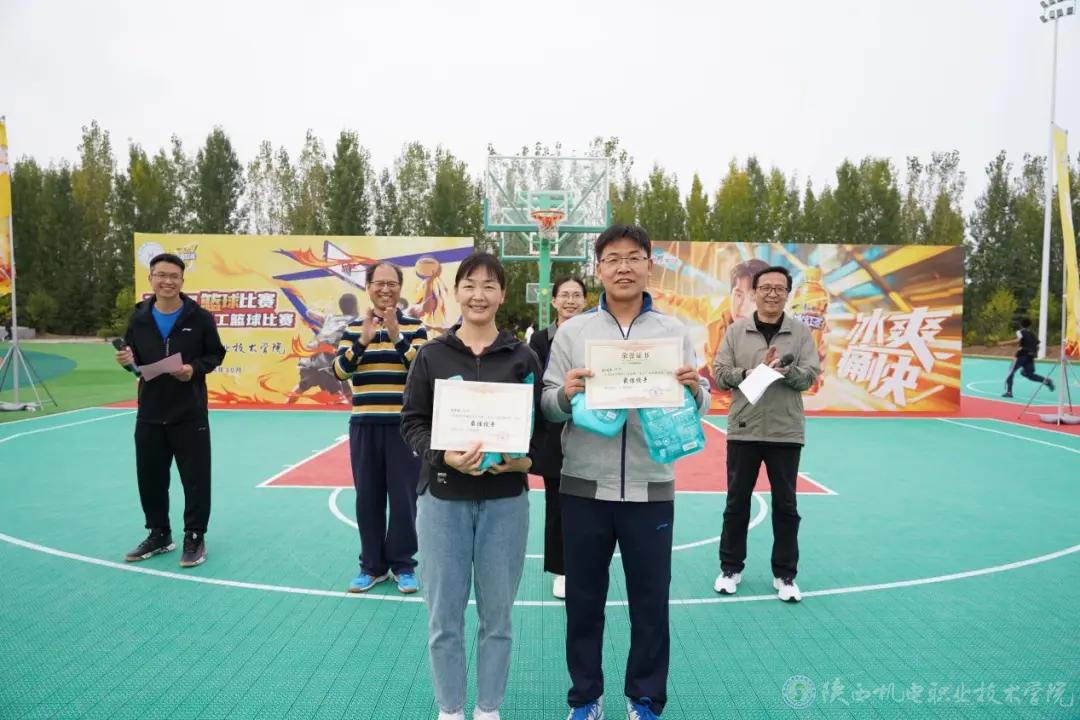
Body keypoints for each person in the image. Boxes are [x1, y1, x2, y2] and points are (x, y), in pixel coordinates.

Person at [542, 224, 709, 720]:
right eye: (612, 259)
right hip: (583, 488)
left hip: (650, 488)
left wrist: (694, 390)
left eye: (633, 257)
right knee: (583, 603)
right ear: (599, 268)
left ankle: (644, 700)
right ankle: (585, 699)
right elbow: (547, 405)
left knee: (650, 604)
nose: (623, 267)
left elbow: (698, 404)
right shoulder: (573, 333)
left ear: (649, 265)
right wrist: (566, 394)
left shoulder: (673, 332)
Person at [401, 252, 541, 720]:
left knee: (497, 617)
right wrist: (443, 456)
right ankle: (450, 709)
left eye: (489, 286)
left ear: (502, 295)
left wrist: (524, 461)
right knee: (444, 618)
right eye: (470, 285)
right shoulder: (432, 355)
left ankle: (488, 708)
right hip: (443, 501)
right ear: (457, 292)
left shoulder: (522, 356)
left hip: (506, 502)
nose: (479, 295)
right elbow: (412, 422)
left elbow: (540, 431)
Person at [711, 265, 820, 603]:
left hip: (785, 431)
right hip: (744, 429)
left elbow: (810, 376)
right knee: (736, 503)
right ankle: (730, 568)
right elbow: (719, 374)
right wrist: (750, 372)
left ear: (788, 294)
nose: (772, 294)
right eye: (766, 288)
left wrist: (787, 371)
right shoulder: (736, 331)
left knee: (786, 506)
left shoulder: (800, 333)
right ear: (754, 293)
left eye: (779, 288)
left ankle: (785, 574)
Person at [116, 253, 226, 568]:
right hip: (149, 412)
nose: (167, 281)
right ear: (151, 279)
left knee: (195, 478)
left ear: (182, 280)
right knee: (150, 477)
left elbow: (216, 354)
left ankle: (195, 536)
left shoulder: (199, 318)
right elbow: (135, 363)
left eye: (173, 276)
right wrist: (127, 363)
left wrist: (193, 368)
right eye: (161, 275)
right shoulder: (138, 318)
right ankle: (159, 533)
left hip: (189, 412)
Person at [334, 262, 428, 594]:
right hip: (365, 424)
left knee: (405, 500)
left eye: (392, 283)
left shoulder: (416, 327)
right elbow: (339, 371)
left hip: (405, 428)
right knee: (368, 498)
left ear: (400, 288)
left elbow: (421, 369)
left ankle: (403, 565)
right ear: (368, 287)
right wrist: (362, 341)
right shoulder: (352, 328)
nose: (385, 289)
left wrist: (397, 336)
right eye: (379, 283)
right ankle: (371, 566)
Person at [528, 276, 587, 600]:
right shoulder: (540, 340)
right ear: (553, 301)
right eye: (564, 295)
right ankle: (561, 570)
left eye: (576, 295)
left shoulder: (594, 336)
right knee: (557, 506)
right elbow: (538, 386)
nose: (570, 300)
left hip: (593, 431)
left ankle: (585, 565)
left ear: (585, 301)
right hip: (554, 434)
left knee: (589, 507)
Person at [289, 292, 358, 404]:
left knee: (302, 386)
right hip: (326, 363)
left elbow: (309, 313)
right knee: (341, 395)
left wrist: (317, 310)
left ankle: (285, 406)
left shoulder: (331, 318)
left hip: (312, 357)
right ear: (355, 306)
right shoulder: (356, 321)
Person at [1002, 317, 1055, 398]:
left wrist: (1003, 343)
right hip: (1030, 356)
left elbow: (1018, 340)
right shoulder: (1032, 334)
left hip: (1021, 355)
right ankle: (1046, 381)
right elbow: (1038, 346)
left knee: (1010, 372)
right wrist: (1034, 353)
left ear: (1020, 324)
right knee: (1029, 374)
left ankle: (1009, 392)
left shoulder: (1020, 332)